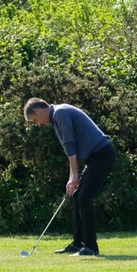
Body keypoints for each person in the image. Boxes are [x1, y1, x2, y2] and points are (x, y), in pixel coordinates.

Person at [23, 98, 116, 256]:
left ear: (38, 111)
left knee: (84, 197)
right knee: (78, 195)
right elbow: (70, 148)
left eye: (35, 120)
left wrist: (73, 175)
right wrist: (74, 176)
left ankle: (91, 247)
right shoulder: (57, 116)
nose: (38, 124)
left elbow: (70, 144)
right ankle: (78, 243)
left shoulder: (60, 113)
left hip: (102, 155)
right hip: (94, 158)